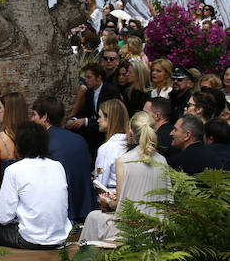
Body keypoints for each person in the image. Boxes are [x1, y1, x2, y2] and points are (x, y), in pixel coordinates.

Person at [0, 122, 72, 250]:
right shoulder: (58, 166)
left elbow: (3, 217)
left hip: (30, 239)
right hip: (60, 237)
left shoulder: (14, 170)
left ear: (19, 144)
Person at [81, 110, 172, 242]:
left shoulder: (123, 161)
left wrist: (107, 201)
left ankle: (87, 260)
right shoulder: (162, 160)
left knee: (93, 217)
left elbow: (120, 206)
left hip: (130, 227)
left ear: (130, 132)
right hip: (158, 228)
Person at [30, 96, 97, 224]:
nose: (32, 119)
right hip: (86, 206)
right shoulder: (79, 139)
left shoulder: (43, 143)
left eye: (34, 115)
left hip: (63, 211)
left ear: (45, 117)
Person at [66, 62, 122, 159]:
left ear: (99, 78)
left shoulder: (110, 92)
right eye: (86, 77)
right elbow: (85, 111)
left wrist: (85, 121)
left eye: (89, 77)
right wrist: (74, 119)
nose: (86, 80)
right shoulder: (90, 92)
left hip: (107, 130)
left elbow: (110, 118)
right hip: (95, 128)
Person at [94, 98, 129, 191]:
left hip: (110, 197)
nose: (98, 121)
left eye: (100, 117)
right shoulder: (130, 143)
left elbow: (100, 183)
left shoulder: (106, 148)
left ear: (109, 118)